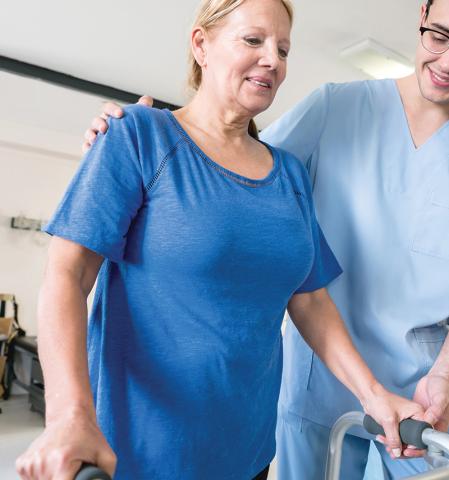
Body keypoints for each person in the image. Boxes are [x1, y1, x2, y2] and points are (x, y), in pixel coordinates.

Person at [81, 1, 449, 479]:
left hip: (417, 400)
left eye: (282, 48)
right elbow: (222, 164)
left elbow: (304, 284)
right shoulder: (336, 106)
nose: (446, 62)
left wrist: (441, 375)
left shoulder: (288, 175)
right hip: (307, 392)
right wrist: (128, 145)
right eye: (439, 36)